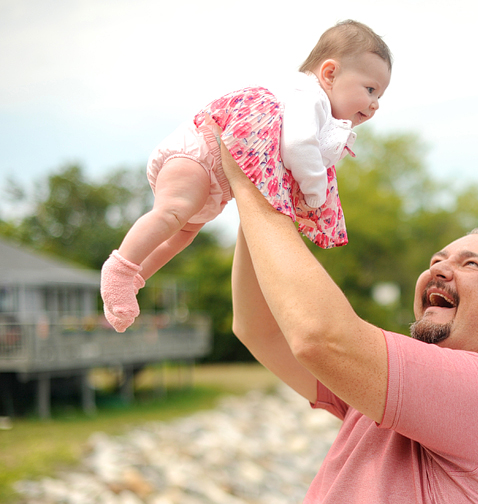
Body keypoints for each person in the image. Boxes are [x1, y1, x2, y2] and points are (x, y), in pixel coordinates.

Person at [216, 127, 478, 504]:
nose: (440, 268)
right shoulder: (394, 387)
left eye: (471, 265)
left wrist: (249, 179)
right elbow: (260, 328)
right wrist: (264, 187)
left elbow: (319, 336)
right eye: (439, 259)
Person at [100, 20, 391, 332]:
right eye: (370, 89)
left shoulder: (321, 111)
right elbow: (297, 145)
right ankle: (119, 269)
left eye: (380, 96)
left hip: (216, 184)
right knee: (172, 213)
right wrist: (315, 191)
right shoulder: (308, 96)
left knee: (182, 234)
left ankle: (134, 278)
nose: (374, 104)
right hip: (201, 154)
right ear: (330, 73)